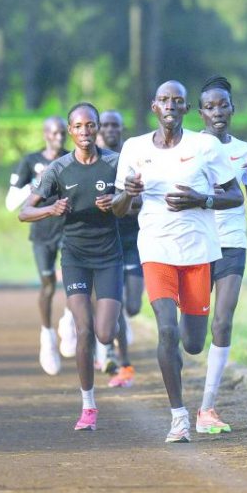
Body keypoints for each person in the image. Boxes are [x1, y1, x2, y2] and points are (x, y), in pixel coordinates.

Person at [112, 80, 243, 443]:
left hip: (199, 253)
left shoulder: (205, 146)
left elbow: (235, 196)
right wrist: (127, 194)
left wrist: (202, 200)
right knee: (166, 330)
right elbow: (120, 208)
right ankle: (179, 417)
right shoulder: (134, 148)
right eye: (164, 100)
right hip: (156, 251)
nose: (171, 105)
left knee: (192, 342)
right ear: (154, 106)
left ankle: (184, 393)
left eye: (178, 101)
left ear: (186, 109)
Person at [20, 102, 123, 431]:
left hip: (109, 255)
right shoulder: (59, 169)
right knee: (84, 331)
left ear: (97, 128)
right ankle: (88, 406)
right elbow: (24, 211)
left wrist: (118, 202)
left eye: (89, 125)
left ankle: (109, 348)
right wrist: (51, 209)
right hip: (75, 256)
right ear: (70, 129)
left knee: (105, 333)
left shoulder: (115, 163)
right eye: (77, 127)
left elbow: (135, 202)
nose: (83, 132)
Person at [196, 76, 247, 433]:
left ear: (233, 109)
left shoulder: (245, 150)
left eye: (223, 105)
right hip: (195, 243)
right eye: (210, 107)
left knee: (222, 321)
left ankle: (207, 407)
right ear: (201, 112)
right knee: (191, 336)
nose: (217, 112)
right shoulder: (190, 148)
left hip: (232, 243)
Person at [5, 115, 69, 376]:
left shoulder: (71, 159)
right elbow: (11, 204)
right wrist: (38, 183)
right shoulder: (30, 162)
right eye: (54, 133)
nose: (59, 137)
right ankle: (47, 337)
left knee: (75, 280)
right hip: (42, 234)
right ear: (45, 134)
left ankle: (70, 321)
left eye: (63, 133)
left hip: (67, 230)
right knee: (48, 286)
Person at [98, 110, 143, 388]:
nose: (110, 129)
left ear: (122, 127)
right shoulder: (96, 161)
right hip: (106, 243)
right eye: (105, 125)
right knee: (114, 308)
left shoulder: (134, 159)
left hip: (135, 241)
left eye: (115, 124)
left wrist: (122, 204)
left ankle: (113, 338)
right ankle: (119, 360)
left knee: (133, 306)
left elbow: (141, 200)